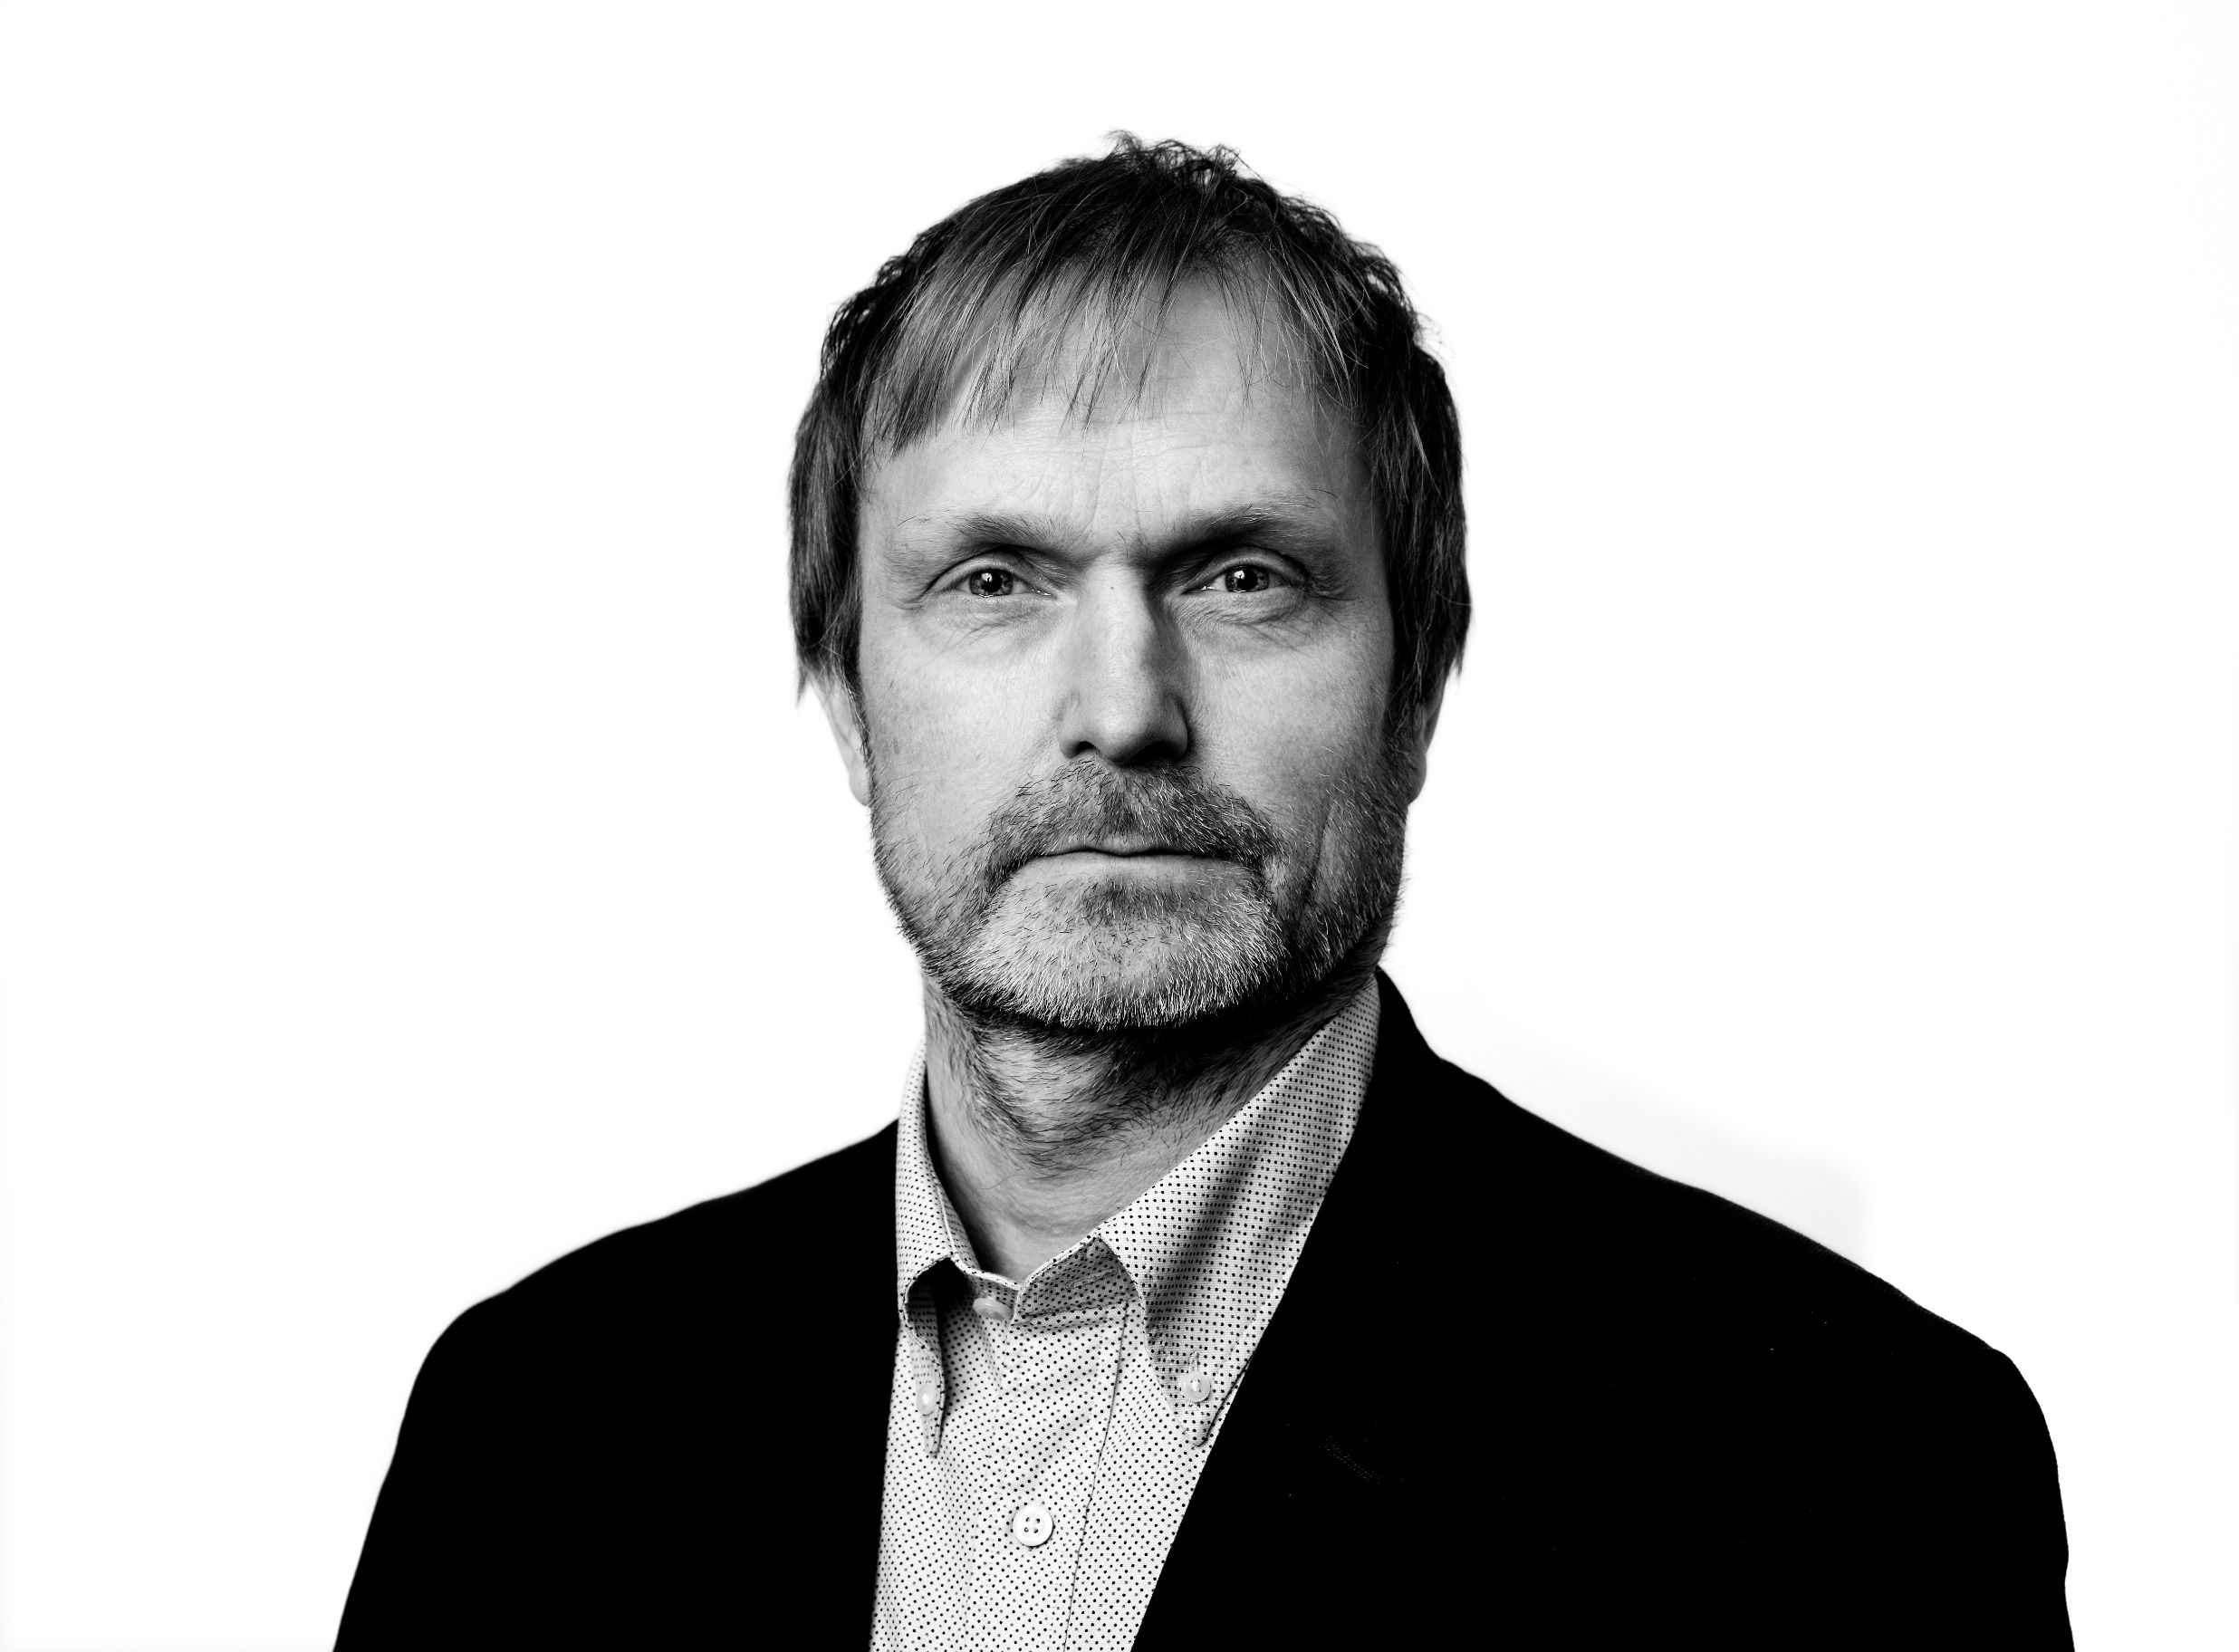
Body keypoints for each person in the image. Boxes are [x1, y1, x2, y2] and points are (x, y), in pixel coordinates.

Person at [336, 137, 2071, 1649]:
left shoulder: (1846, 1467)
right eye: (994, 579)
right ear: (851, 702)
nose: (1123, 708)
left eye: (1244, 577)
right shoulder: (531, 1430)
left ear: (1416, 689)